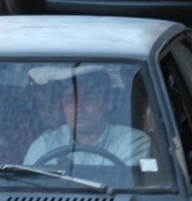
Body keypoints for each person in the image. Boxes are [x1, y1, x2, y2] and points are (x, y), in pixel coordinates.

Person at [23, 69, 151, 167]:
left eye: (89, 98)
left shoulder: (131, 142)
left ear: (108, 102)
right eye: (70, 99)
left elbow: (127, 192)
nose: (78, 107)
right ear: (63, 106)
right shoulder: (45, 145)